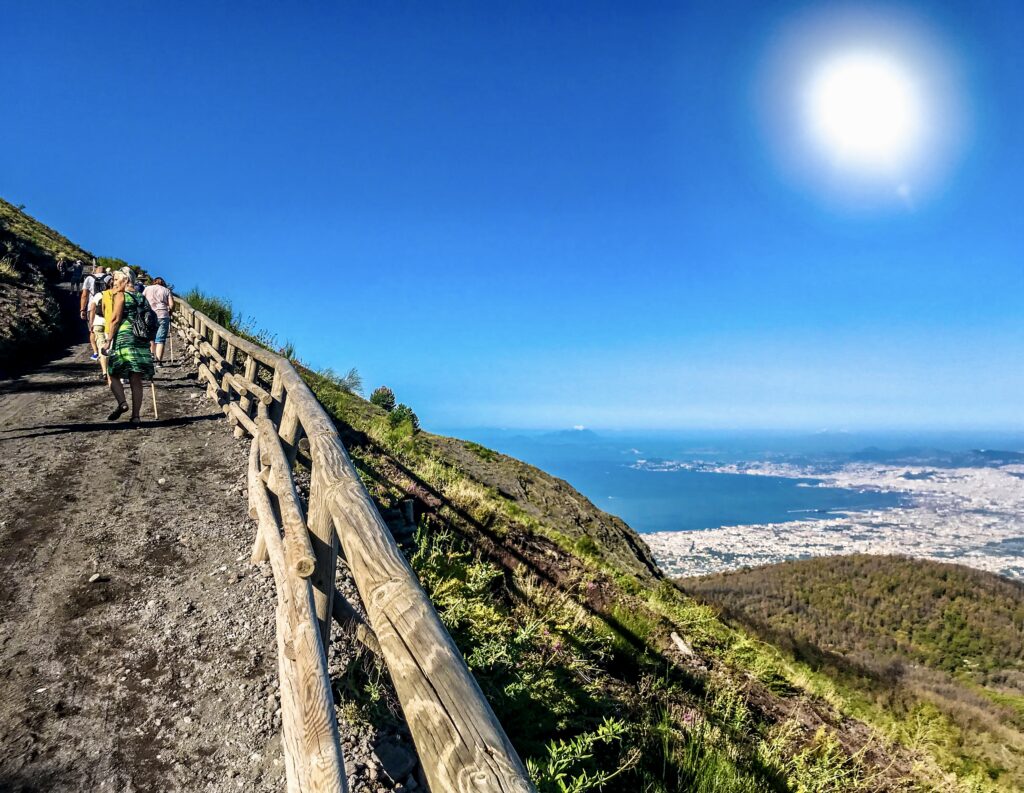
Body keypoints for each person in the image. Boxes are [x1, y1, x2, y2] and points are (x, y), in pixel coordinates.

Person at [103, 269, 154, 423]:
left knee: (112, 373)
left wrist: (108, 340)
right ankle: (136, 416)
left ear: (124, 280)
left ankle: (122, 402)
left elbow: (115, 319)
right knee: (136, 378)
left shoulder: (121, 295)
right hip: (141, 338)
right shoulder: (141, 297)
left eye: (116, 279)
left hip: (125, 337)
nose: (114, 282)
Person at [143, 277, 174, 364]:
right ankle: (158, 361)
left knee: (151, 336)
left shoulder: (147, 289)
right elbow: (171, 305)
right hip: (163, 315)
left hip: (150, 314)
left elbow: (142, 300)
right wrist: (170, 312)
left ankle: (151, 355)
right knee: (160, 339)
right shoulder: (166, 290)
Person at [80, 266, 108, 360]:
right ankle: (107, 348)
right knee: (107, 328)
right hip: (107, 307)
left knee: (92, 329)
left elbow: (84, 295)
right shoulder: (109, 277)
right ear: (104, 271)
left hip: (92, 307)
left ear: (95, 271)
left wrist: (82, 309)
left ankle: (96, 352)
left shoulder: (89, 278)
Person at [87, 278, 111, 383]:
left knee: (102, 347)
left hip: (98, 323)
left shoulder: (98, 295)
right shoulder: (115, 295)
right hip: (110, 324)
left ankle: (105, 372)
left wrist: (91, 323)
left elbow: (92, 309)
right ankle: (113, 371)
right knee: (111, 347)